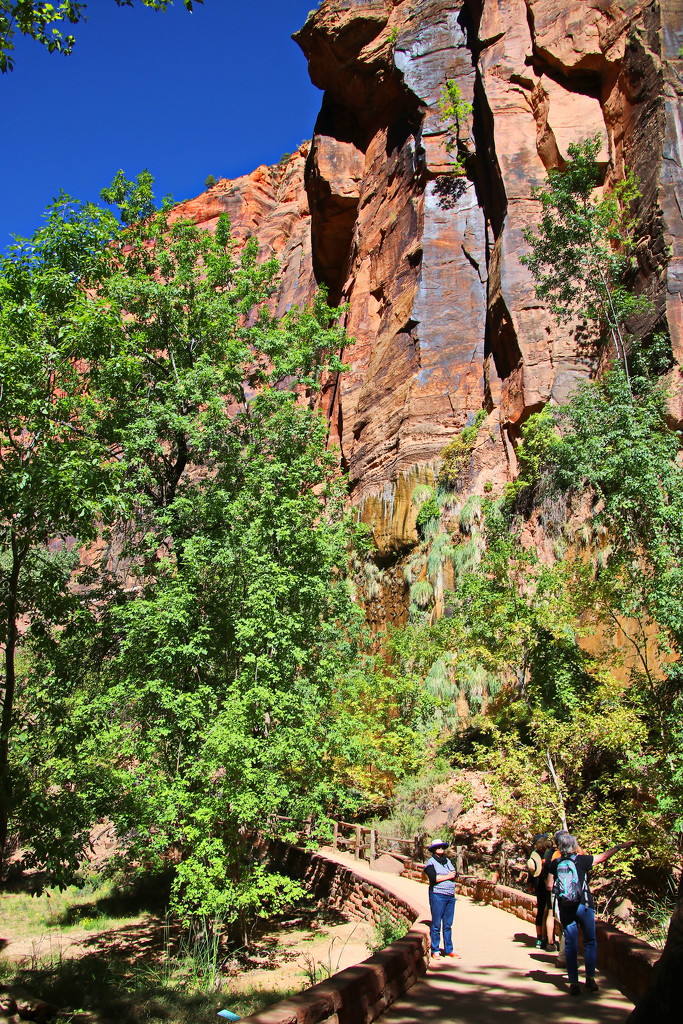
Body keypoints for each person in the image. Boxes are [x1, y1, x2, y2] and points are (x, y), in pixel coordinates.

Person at [546, 832, 635, 996]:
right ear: (573, 845)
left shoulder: (555, 863)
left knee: (571, 944)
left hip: (566, 908)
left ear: (559, 846)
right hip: (584, 905)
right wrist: (618, 847)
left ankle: (573, 983)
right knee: (590, 942)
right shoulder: (582, 860)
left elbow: (549, 886)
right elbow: (603, 857)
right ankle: (590, 979)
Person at [424, 839, 458, 960]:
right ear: (433, 849)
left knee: (448, 924)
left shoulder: (447, 861)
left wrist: (450, 875)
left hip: (450, 895)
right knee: (436, 923)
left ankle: (449, 950)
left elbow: (455, 873)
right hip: (438, 895)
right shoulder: (430, 863)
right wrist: (448, 876)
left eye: (442, 848)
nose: (441, 850)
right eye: (438, 848)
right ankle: (436, 949)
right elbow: (433, 878)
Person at [526, 833, 551, 948]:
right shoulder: (550, 853)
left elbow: (531, 871)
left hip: (539, 884)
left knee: (542, 911)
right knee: (548, 912)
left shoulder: (534, 854)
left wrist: (530, 884)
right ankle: (546, 937)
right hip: (546, 884)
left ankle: (540, 938)